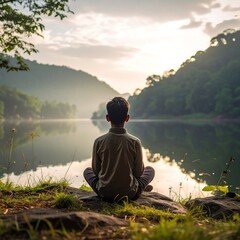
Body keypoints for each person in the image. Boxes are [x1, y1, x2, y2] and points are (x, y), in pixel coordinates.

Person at [83, 97, 155, 202]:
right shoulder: (135, 142)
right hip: (129, 193)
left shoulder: (99, 141)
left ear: (107, 118)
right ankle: (140, 188)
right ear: (127, 118)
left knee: (87, 171)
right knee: (150, 170)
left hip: (104, 192)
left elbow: (96, 171)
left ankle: (139, 188)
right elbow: (138, 173)